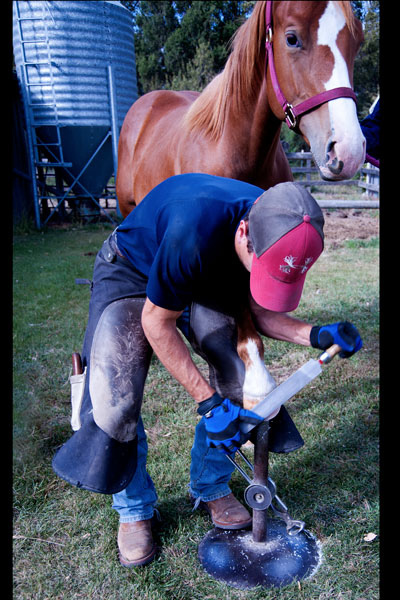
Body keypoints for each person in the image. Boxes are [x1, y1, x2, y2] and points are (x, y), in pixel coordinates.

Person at [52, 174, 362, 567]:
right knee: (115, 398)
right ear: (243, 233)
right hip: (134, 271)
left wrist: (317, 334)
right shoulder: (193, 229)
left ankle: (211, 485)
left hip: (206, 274)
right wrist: (208, 404)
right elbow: (156, 323)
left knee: (239, 379)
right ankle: (134, 510)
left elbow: (261, 310)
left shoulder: (278, 220)